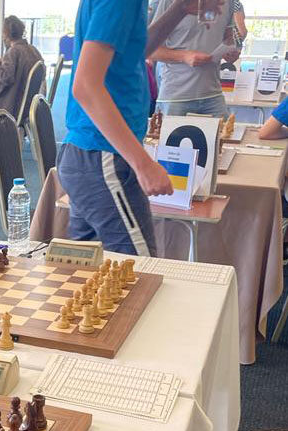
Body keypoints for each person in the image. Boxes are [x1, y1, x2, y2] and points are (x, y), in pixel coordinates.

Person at [58, 0, 224, 257]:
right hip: (103, 156)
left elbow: (134, 51)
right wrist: (143, 164)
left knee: (84, 275)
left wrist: (178, 10)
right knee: (139, 275)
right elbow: (85, 86)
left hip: (89, 155)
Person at [151, 0, 240, 117]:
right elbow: (151, 51)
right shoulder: (169, 2)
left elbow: (229, 38)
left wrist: (231, 51)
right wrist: (184, 56)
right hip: (176, 96)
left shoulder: (228, 3)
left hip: (213, 94)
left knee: (224, 135)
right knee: (170, 135)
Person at [0, 16, 43, 118]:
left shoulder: (13, 52)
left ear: (5, 34)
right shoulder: (33, 50)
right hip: (28, 106)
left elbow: (6, 77)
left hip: (11, 106)